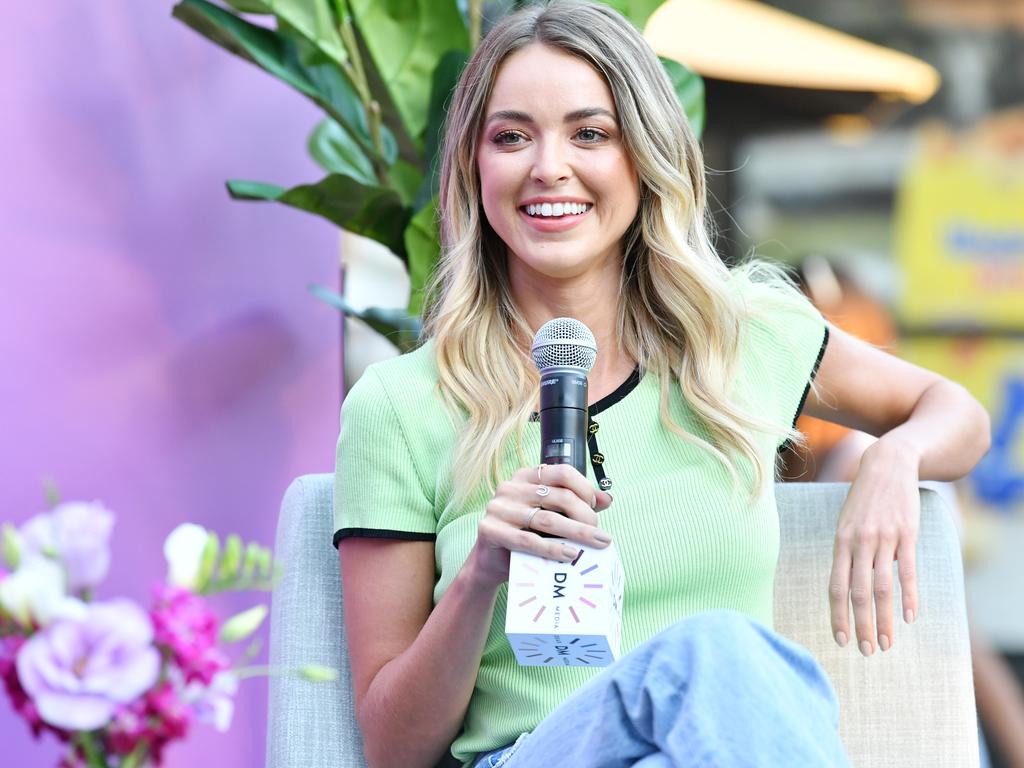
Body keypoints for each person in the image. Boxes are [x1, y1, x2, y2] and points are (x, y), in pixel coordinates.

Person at [332, 3, 991, 767]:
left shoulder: (741, 339)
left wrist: (894, 457)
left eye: (590, 133)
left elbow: (958, 415)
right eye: (512, 136)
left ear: (644, 159)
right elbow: (392, 747)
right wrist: (481, 576)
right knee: (713, 653)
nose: (549, 166)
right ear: (475, 168)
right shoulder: (403, 406)